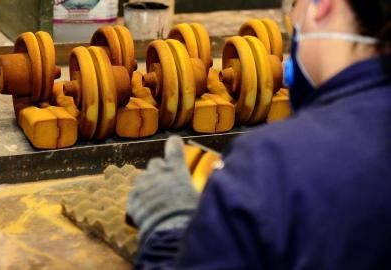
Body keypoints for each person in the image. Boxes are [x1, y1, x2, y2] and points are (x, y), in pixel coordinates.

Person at [128, 0, 391, 268]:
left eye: (294, 4)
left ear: (322, 4)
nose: (292, 18)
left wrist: (167, 229)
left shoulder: (272, 162)